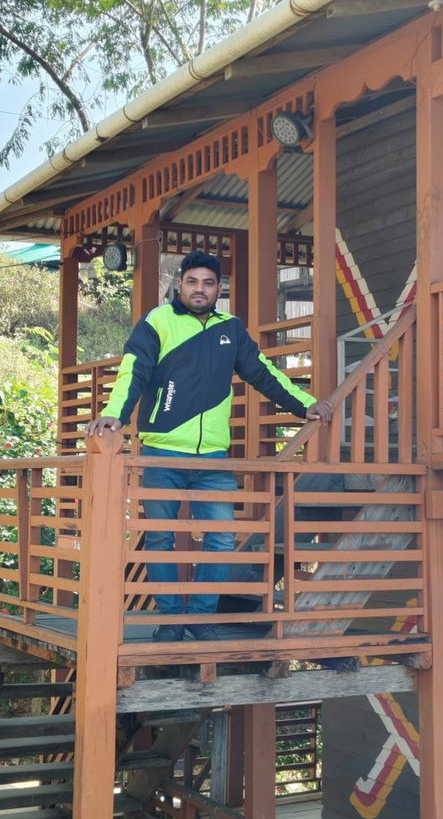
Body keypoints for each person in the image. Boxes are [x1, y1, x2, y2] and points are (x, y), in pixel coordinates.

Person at [87, 250, 332, 641]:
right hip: (161, 452)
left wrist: (305, 405)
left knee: (219, 537)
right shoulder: (158, 321)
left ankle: (200, 616)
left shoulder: (231, 329)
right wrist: (115, 413)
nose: (199, 289)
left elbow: (263, 372)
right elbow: (134, 368)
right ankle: (170, 618)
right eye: (192, 282)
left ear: (218, 288)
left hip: (213, 458)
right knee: (160, 538)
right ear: (179, 284)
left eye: (208, 283)